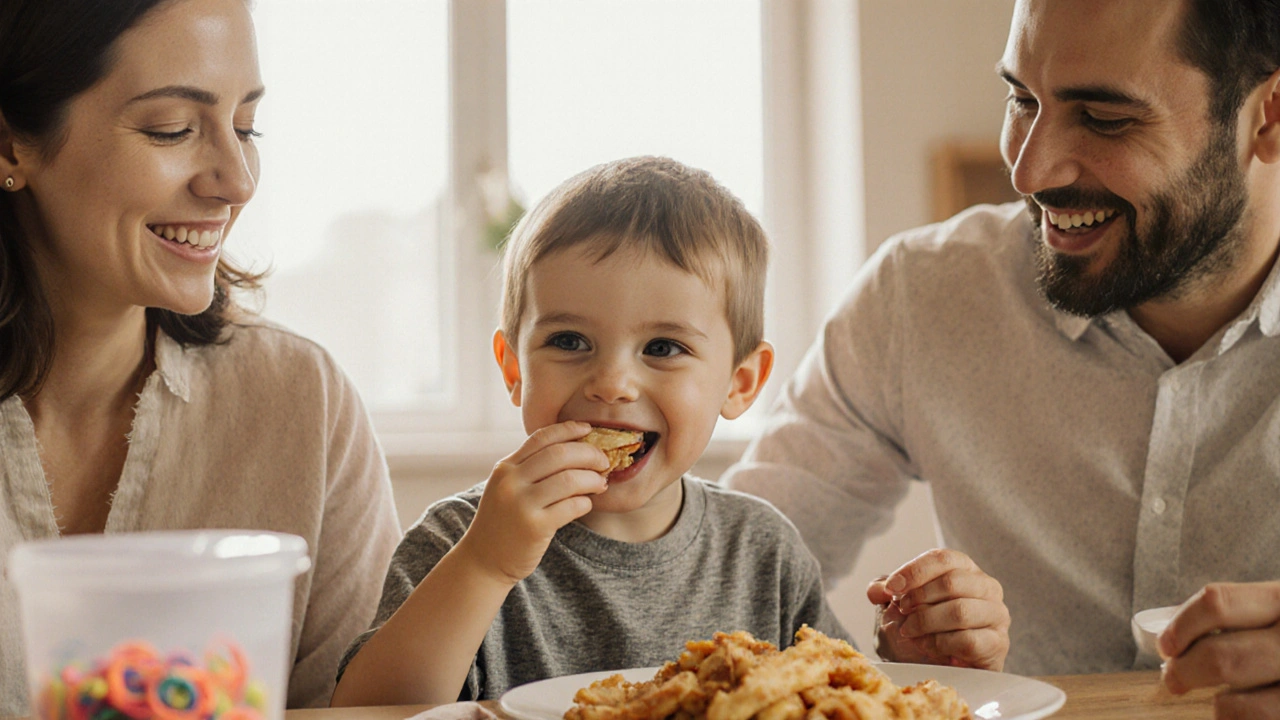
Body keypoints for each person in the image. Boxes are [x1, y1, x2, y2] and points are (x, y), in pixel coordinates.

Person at [723, 0, 1280, 712]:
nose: (1028, 169)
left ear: (1268, 114)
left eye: (1105, 118)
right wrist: (891, 670)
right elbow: (727, 580)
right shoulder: (921, 296)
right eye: (1021, 99)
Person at [330, 156, 1012, 706]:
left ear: (740, 382)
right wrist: (486, 566)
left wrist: (914, 660)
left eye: (662, 348)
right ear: (512, 367)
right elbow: (369, 712)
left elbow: (830, 697)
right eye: (569, 340)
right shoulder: (460, 541)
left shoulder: (762, 552)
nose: (612, 383)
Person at [0, 0, 400, 712]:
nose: (238, 180)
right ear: (10, 146)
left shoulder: (301, 402)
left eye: (246, 126)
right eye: (172, 130)